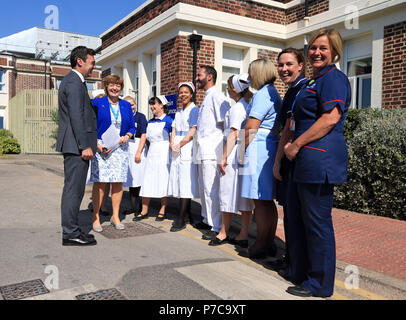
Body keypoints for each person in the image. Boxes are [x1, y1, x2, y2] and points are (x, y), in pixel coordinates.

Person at [283, 29, 351, 298]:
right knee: (300, 220)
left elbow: (331, 118)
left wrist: (297, 144)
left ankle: (320, 284)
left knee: (317, 223)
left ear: (334, 51)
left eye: (323, 48)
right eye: (312, 48)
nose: (316, 52)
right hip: (304, 162)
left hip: (318, 160)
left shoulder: (334, 78)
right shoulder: (313, 81)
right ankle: (301, 273)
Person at [267, 48, 307, 271]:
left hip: (294, 160)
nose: (283, 69)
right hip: (292, 161)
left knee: (294, 214)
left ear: (300, 65)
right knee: (290, 213)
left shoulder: (300, 90)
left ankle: (294, 263)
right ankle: (291, 258)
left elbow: (289, 130)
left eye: (289, 64)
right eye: (280, 65)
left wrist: (277, 161)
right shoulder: (293, 90)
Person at [240, 58, 282, 258]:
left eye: (250, 73)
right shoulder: (271, 92)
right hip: (267, 146)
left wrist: (240, 155)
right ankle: (268, 241)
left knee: (260, 200)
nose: (248, 78)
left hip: (258, 148)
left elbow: (250, 128)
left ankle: (262, 243)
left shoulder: (263, 94)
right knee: (265, 200)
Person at [56, 46, 98, 246]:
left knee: (75, 189)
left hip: (75, 145)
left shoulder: (75, 82)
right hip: (76, 146)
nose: (93, 67)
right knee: (74, 190)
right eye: (92, 63)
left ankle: (72, 229)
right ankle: (70, 233)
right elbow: (76, 117)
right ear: (80, 61)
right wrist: (84, 146)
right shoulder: (73, 82)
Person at [209, 73, 254, 247]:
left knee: (226, 192)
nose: (227, 89)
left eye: (228, 86)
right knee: (243, 195)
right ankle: (242, 234)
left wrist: (223, 157)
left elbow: (234, 134)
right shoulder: (244, 106)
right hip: (242, 149)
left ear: (235, 89)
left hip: (235, 150)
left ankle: (224, 232)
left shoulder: (237, 108)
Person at [90, 75, 136, 232]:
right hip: (101, 148)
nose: (115, 88)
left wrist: (127, 136)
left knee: (117, 184)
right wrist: (96, 144)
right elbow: (90, 125)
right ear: (106, 86)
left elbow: (132, 127)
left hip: (120, 149)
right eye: (111, 85)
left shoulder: (125, 105)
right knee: (100, 183)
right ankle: (96, 217)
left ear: (121, 88)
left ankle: (115, 216)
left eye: (118, 85)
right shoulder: (97, 103)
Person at [195, 66, 230, 240]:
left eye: (199, 75)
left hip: (212, 150)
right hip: (203, 150)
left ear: (209, 77)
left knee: (211, 188)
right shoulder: (207, 98)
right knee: (204, 187)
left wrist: (223, 153)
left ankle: (216, 225)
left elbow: (226, 124)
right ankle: (206, 218)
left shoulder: (217, 97)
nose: (196, 78)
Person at [135, 96, 173, 221]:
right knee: (148, 180)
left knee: (163, 180)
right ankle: (144, 210)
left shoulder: (169, 121)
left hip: (164, 153)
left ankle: (163, 210)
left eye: (154, 104)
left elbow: (173, 138)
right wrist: (139, 152)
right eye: (150, 104)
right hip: (151, 153)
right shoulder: (150, 122)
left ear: (162, 105)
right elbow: (145, 138)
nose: (152, 107)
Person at [168, 82, 200, 231]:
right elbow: (173, 128)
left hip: (186, 147)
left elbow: (192, 131)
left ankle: (181, 218)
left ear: (191, 94)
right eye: (180, 92)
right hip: (176, 147)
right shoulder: (179, 111)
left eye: (186, 92)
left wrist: (179, 144)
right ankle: (187, 215)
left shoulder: (194, 110)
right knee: (179, 180)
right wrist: (171, 143)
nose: (183, 95)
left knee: (186, 182)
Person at [122, 96, 148, 218]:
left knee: (139, 179)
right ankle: (133, 207)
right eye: (128, 105)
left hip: (138, 147)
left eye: (132, 104)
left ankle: (141, 208)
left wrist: (139, 152)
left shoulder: (141, 117)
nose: (131, 107)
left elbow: (143, 135)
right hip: (127, 148)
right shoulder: (122, 116)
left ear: (135, 105)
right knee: (131, 181)